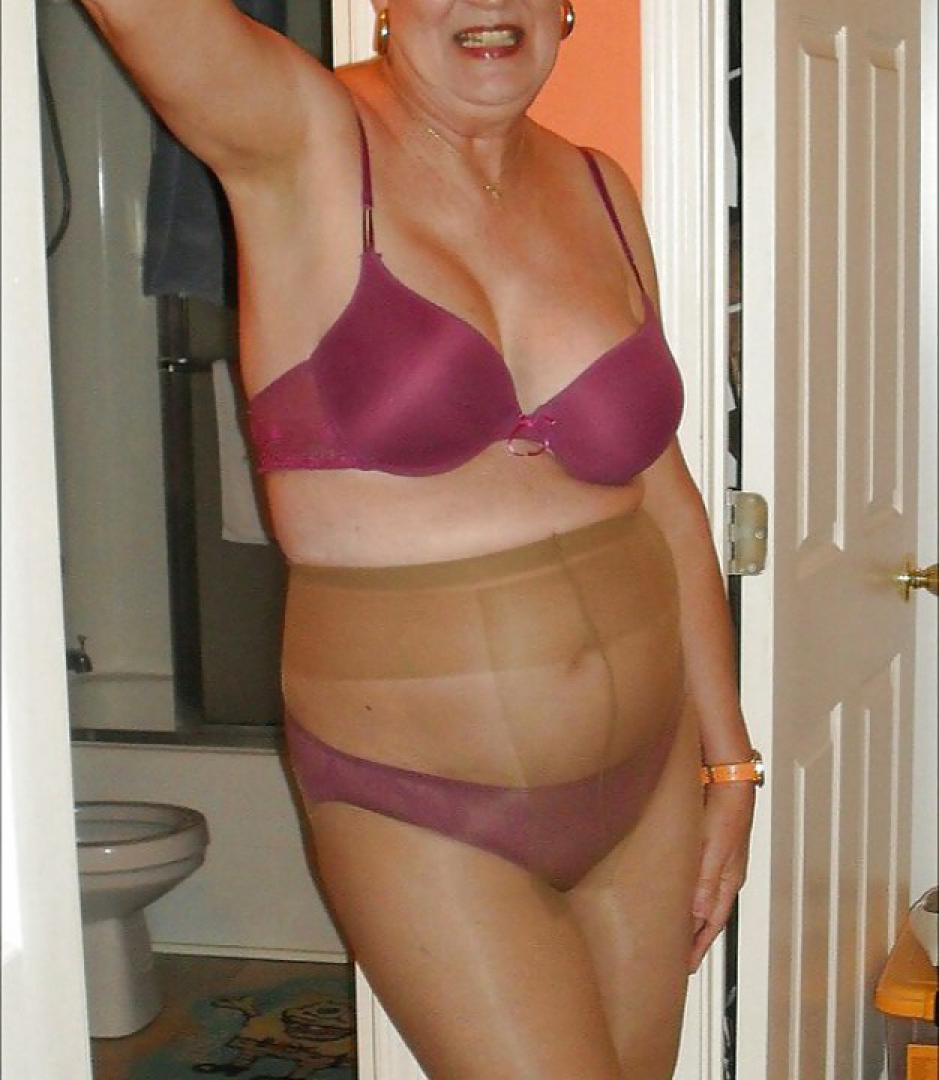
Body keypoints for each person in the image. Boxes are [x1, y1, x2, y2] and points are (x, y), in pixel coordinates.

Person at [80, 1, 760, 1074]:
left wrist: (730, 764)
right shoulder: (300, 134)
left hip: (650, 779)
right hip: (419, 806)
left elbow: (667, 496)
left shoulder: (600, 186)